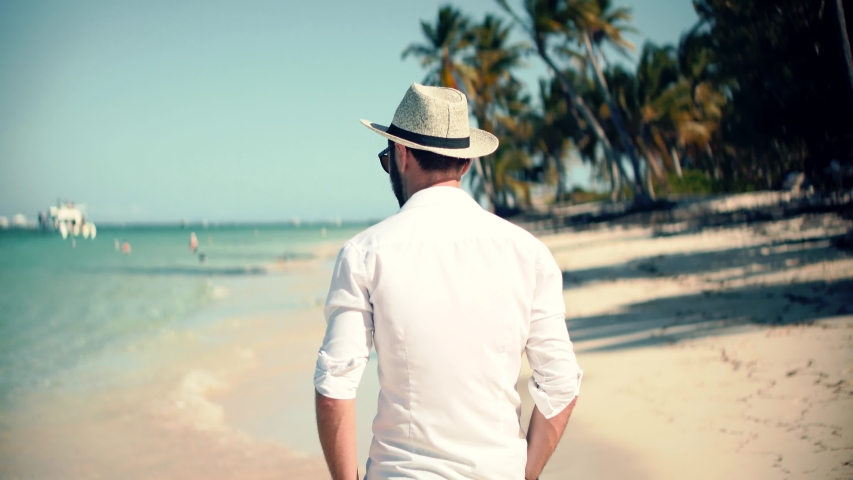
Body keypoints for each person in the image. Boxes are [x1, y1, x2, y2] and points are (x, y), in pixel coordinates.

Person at [314, 84, 583, 480]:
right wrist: (523, 474)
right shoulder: (529, 254)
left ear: (402, 155)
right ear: (466, 163)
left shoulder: (365, 253)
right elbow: (561, 384)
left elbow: (335, 387)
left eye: (387, 158)